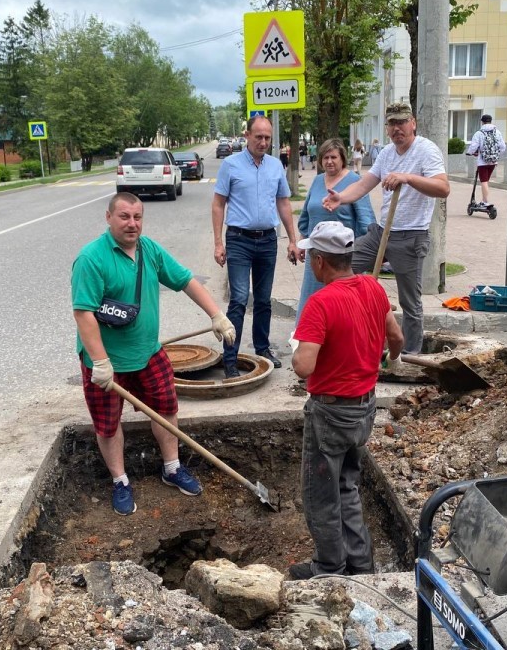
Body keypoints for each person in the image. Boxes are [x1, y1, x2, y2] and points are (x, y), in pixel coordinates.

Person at [73, 192, 236, 516]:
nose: (132, 224)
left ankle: (172, 467)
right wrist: (100, 362)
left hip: (148, 353)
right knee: (107, 424)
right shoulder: (91, 258)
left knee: (165, 409)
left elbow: (186, 280)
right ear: (109, 218)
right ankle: (120, 481)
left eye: (137, 217)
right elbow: (84, 314)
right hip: (106, 363)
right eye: (124, 217)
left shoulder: (150, 251)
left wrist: (216, 314)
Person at [289, 222, 404, 580]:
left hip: (331, 412)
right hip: (365, 406)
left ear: (321, 262)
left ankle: (329, 566)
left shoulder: (320, 303)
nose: (309, 262)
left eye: (311, 257)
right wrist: (386, 360)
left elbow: (304, 367)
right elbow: (397, 338)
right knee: (347, 485)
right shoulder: (372, 286)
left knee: (321, 494)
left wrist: (298, 353)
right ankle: (361, 563)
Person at [322, 103, 450, 356]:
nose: (396, 128)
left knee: (409, 301)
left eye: (401, 122)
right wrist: (342, 198)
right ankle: (355, 327)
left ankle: (410, 355)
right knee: (341, 267)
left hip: (411, 236)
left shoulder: (426, 150)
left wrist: (408, 177)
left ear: (412, 123)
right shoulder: (387, 153)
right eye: (392, 123)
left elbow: (443, 188)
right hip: (381, 233)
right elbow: (364, 184)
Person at [212, 115, 299, 378]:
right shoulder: (231, 165)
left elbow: (283, 202)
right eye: (258, 136)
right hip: (239, 240)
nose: (263, 142)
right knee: (238, 299)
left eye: (267, 138)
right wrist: (218, 242)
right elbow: (218, 204)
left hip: (268, 240)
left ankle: (262, 349)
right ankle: (230, 358)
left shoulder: (275, 166)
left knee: (263, 300)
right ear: (247, 136)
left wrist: (293, 240)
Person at [296, 138, 375, 320]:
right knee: (313, 301)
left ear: (342, 159)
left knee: (342, 305)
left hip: (342, 258)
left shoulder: (354, 181)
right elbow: (307, 217)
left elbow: (365, 222)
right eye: (325, 158)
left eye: (333, 157)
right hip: (316, 257)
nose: (329, 161)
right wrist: (301, 243)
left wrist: (360, 255)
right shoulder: (317, 181)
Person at [466, 114, 507, 208]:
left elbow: (473, 146)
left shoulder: (479, 133)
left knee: (483, 181)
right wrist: (495, 154)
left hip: (482, 162)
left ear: (482, 122)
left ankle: (485, 201)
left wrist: (470, 152)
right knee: (486, 181)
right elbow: (503, 147)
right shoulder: (497, 132)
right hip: (493, 161)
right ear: (491, 121)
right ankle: (484, 200)